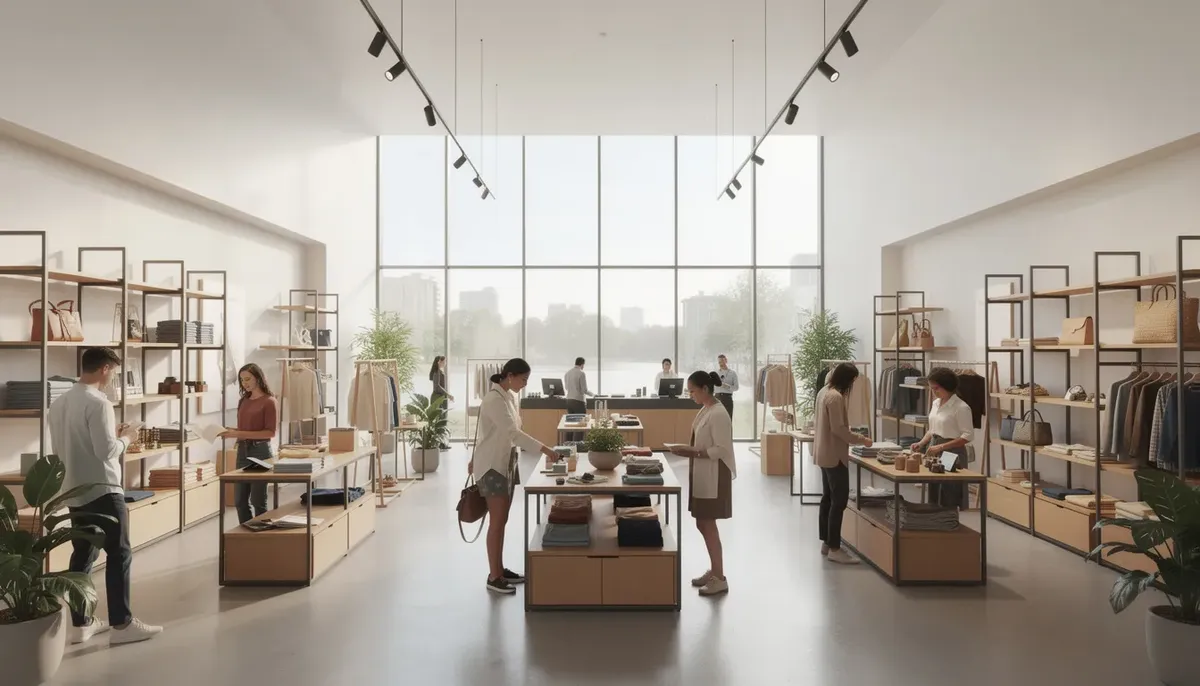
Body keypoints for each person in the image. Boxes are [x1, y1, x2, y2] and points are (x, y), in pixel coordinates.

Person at [48, 347, 163, 645]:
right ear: (105, 369)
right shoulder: (99, 402)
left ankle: (81, 624)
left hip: (74, 489)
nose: (113, 377)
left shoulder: (58, 403)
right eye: (114, 372)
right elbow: (106, 451)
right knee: (119, 553)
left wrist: (113, 434)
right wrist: (127, 438)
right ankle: (122, 625)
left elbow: (64, 449)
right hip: (103, 489)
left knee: (83, 554)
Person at [470, 357, 562, 595]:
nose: (525, 384)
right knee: (497, 523)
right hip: (493, 467)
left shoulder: (508, 397)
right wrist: (546, 449)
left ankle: (499, 569)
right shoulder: (494, 399)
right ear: (510, 376)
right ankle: (494, 576)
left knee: (502, 521)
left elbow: (505, 432)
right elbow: (513, 433)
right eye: (523, 379)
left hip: (506, 463)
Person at [670, 370, 737, 596]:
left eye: (692, 391)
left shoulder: (718, 413)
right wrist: (689, 451)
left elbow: (722, 449)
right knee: (702, 523)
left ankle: (719, 577)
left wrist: (693, 452)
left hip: (714, 475)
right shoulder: (706, 409)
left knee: (707, 523)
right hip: (703, 471)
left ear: (705, 389)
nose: (690, 395)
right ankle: (715, 571)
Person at [813, 362, 873, 564]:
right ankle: (835, 548)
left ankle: (827, 543)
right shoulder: (836, 397)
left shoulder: (823, 391)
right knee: (839, 501)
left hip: (823, 453)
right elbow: (838, 429)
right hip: (835, 455)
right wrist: (862, 439)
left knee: (828, 498)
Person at [219, 364, 278, 524]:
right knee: (240, 501)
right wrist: (229, 431)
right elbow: (245, 429)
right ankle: (246, 533)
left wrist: (237, 434)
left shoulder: (269, 401)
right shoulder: (244, 400)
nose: (244, 383)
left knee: (258, 500)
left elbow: (270, 433)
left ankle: (262, 533)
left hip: (261, 452)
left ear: (258, 378)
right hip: (243, 452)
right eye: (241, 380)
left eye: (247, 379)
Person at [910, 367, 974, 509]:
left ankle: (950, 520)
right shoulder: (936, 403)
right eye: (931, 388)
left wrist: (941, 447)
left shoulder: (961, 407)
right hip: (934, 448)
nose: (933, 391)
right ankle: (935, 520)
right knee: (934, 490)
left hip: (952, 452)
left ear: (947, 386)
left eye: (936, 388)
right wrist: (921, 443)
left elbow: (968, 436)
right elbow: (932, 429)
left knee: (949, 493)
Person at [564, 357, 593, 442]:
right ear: (582, 364)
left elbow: (566, 388)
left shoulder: (567, 373)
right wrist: (593, 394)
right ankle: (578, 445)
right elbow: (584, 390)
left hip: (569, 400)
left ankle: (568, 444)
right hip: (578, 401)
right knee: (580, 425)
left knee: (570, 424)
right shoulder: (581, 373)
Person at [429, 355, 453, 450]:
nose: (445, 363)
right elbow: (437, 387)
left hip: (440, 398)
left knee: (442, 420)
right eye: (444, 361)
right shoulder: (437, 372)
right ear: (439, 361)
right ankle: (440, 443)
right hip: (437, 398)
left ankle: (442, 443)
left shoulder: (439, 371)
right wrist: (448, 394)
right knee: (440, 420)